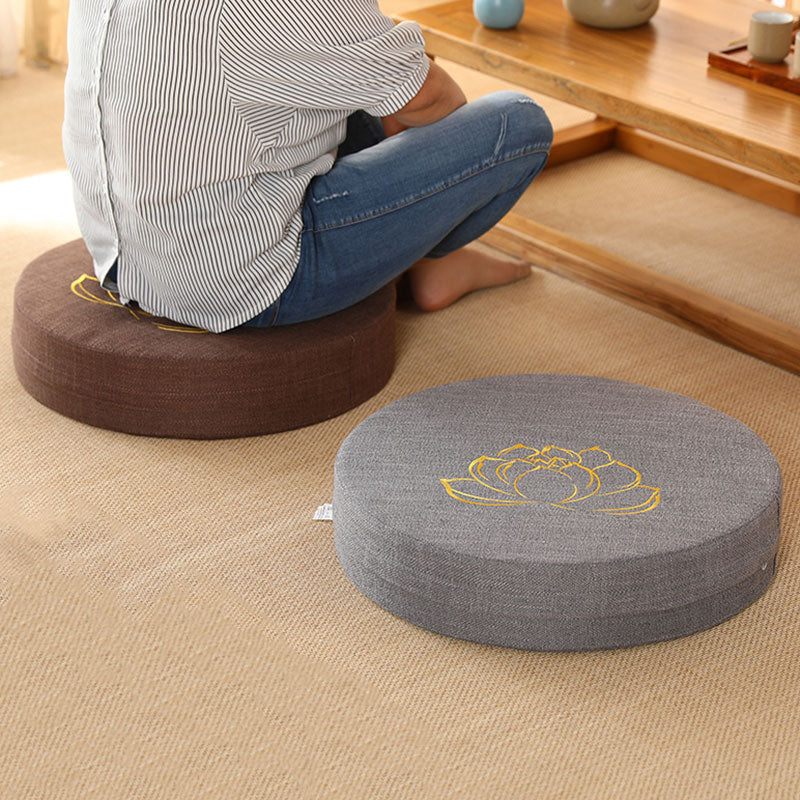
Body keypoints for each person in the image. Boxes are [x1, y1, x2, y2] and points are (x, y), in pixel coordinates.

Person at [63, 0, 553, 333]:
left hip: (123, 253)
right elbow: (433, 99)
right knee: (517, 123)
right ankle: (433, 258)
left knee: (353, 76)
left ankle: (430, 264)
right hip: (240, 280)